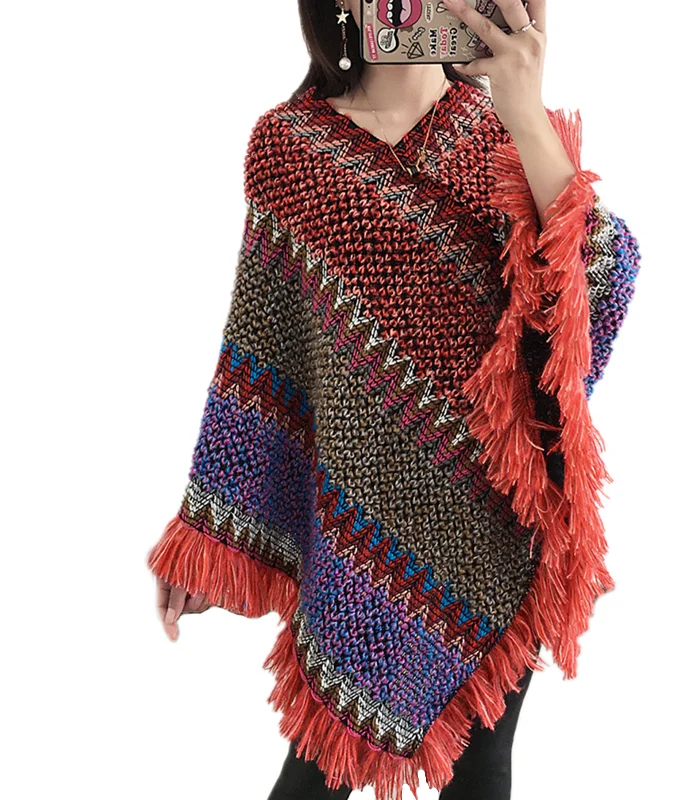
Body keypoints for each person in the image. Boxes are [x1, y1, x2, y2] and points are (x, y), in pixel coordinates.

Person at [146, 1, 642, 798]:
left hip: (496, 536)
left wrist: (525, 109)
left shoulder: (507, 140)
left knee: (481, 777)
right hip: (355, 536)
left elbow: (600, 288)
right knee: (315, 779)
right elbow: (262, 345)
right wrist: (214, 526)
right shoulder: (290, 150)